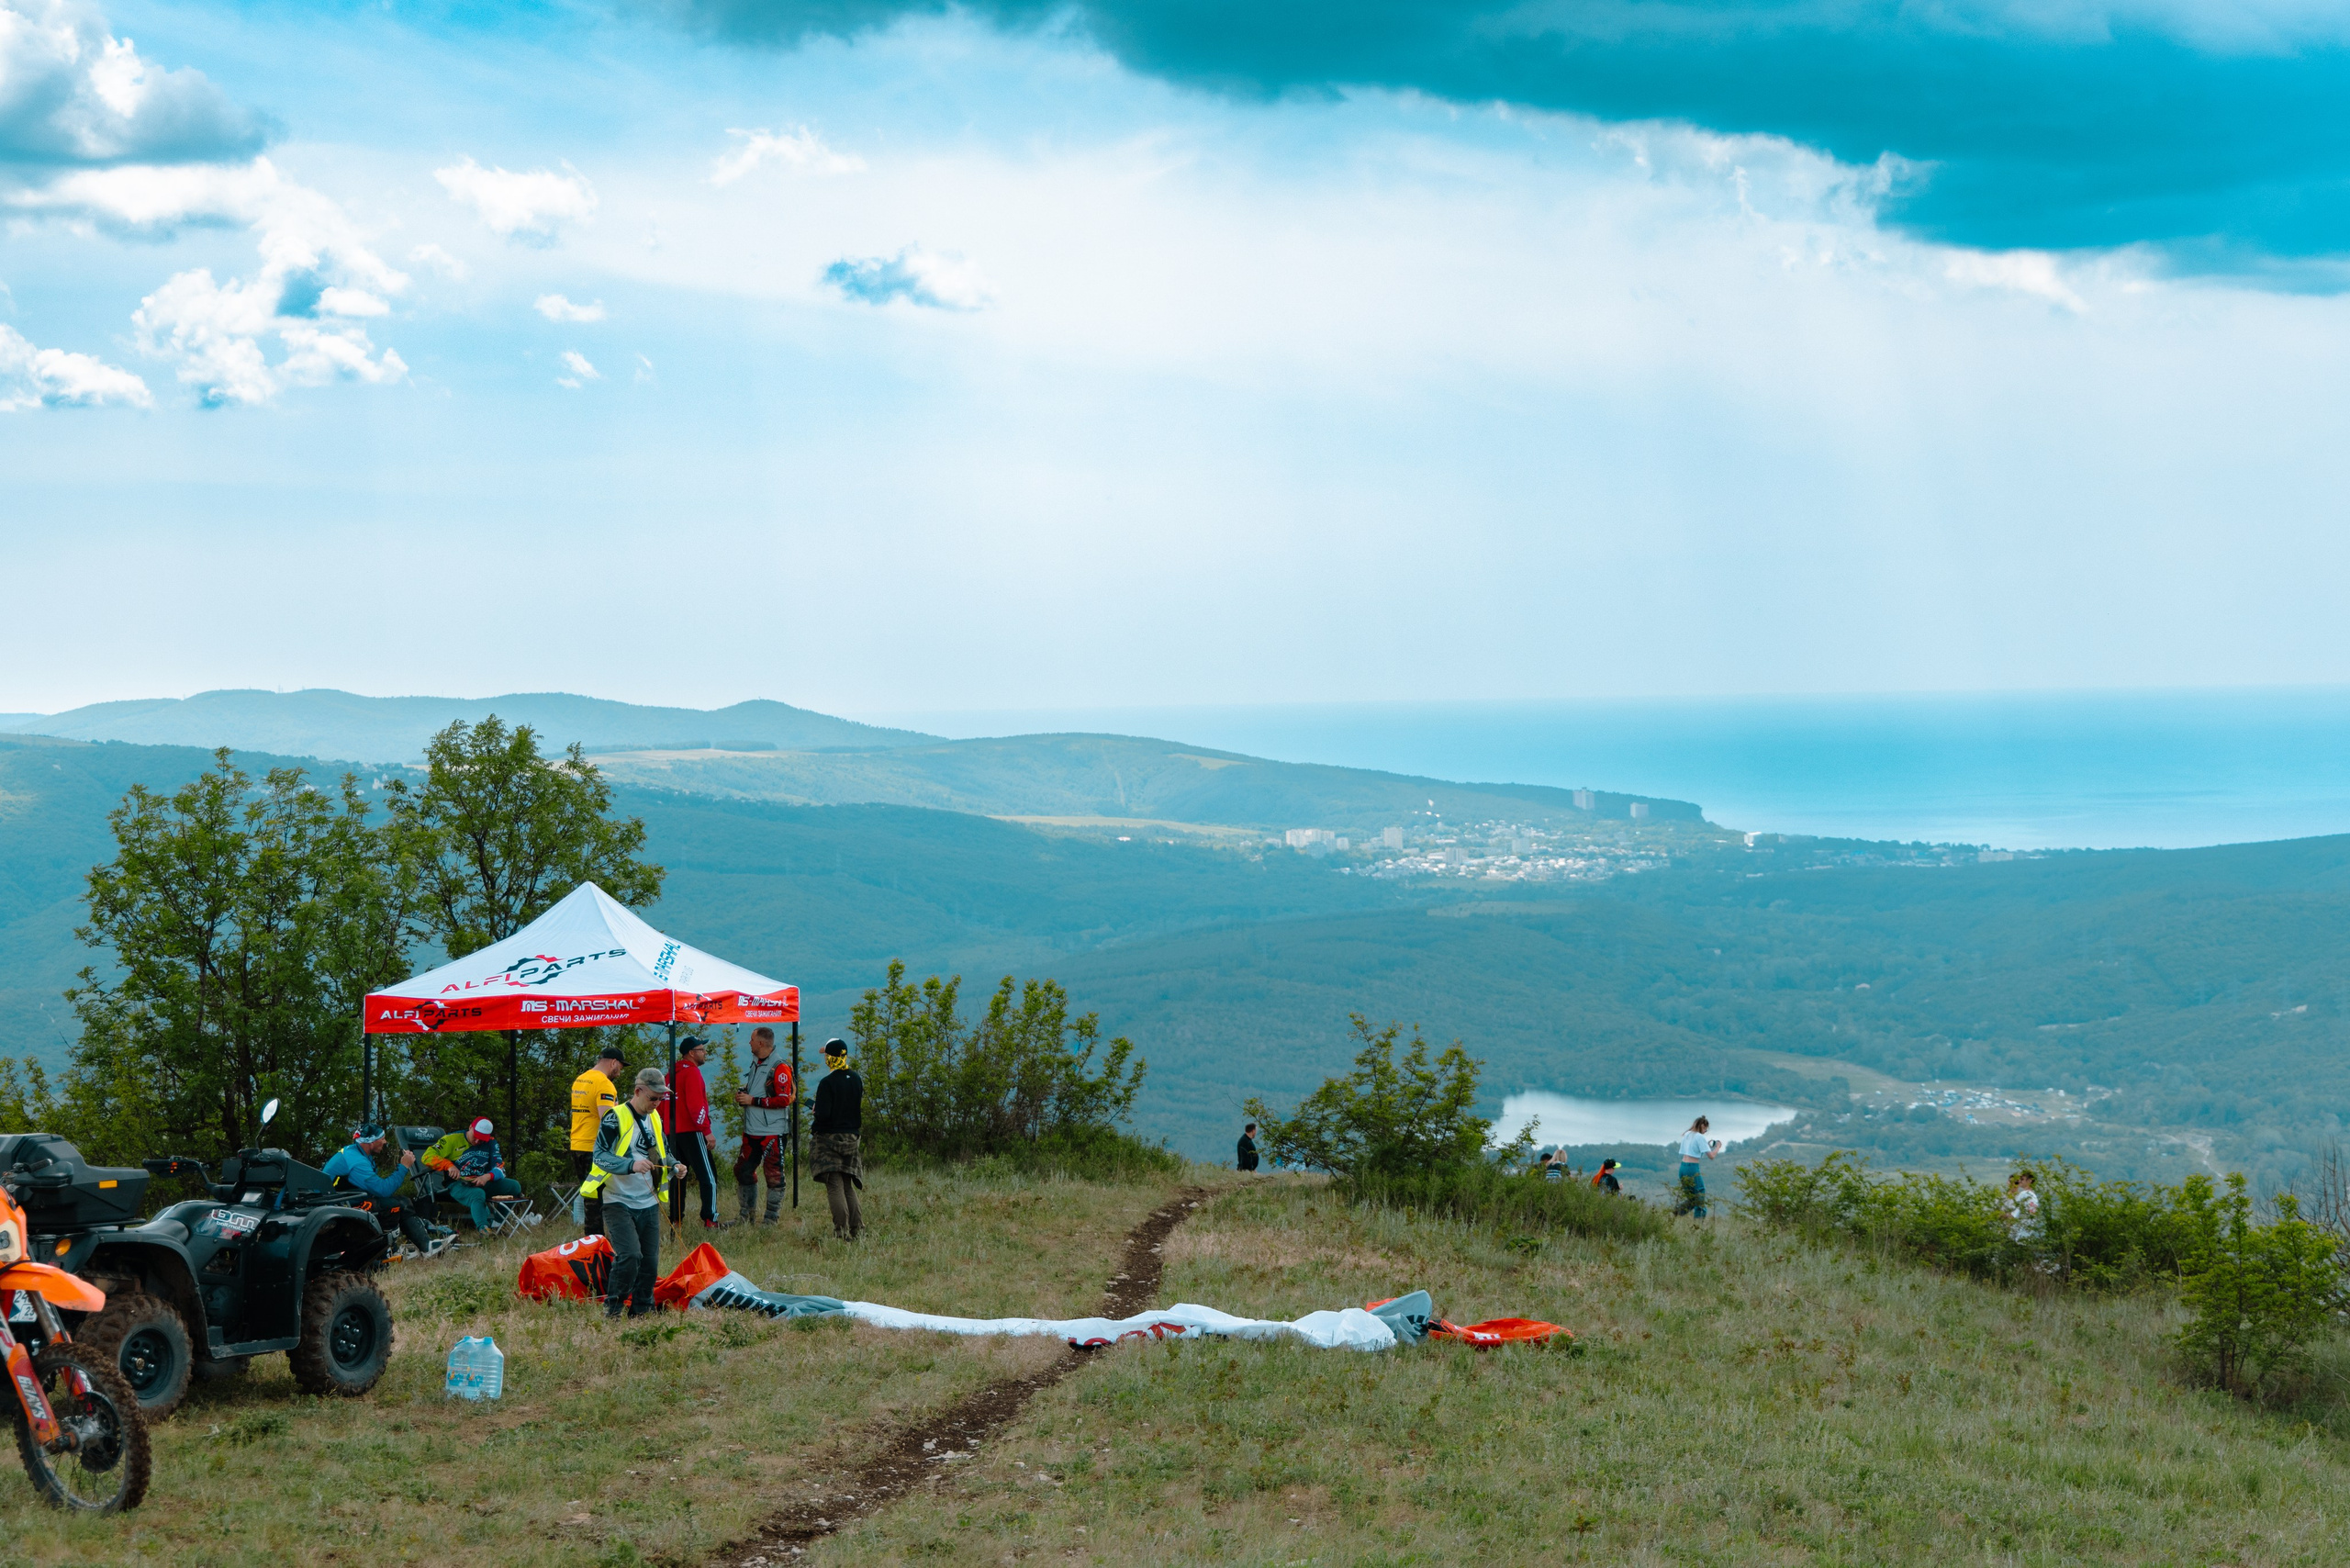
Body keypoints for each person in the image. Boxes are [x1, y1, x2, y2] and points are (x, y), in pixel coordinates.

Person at [584, 1067, 688, 1319]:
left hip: (649, 1201)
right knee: (630, 1255)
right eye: (653, 1098)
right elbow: (600, 1157)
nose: (657, 1103)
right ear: (637, 1091)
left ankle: (642, 1310)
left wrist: (675, 1165)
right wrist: (630, 1165)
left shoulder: (654, 1117)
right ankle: (613, 1308)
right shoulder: (614, 1117)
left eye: (661, 1099)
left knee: (650, 1263)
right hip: (617, 1201)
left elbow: (661, 1152)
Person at [324, 1124, 442, 1255]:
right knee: (394, 1206)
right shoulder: (357, 1162)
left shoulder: (356, 1152)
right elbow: (383, 1190)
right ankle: (386, 1250)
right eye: (382, 1138)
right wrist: (404, 1167)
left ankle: (421, 1246)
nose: (385, 1142)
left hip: (347, 1201)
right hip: (340, 1209)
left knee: (401, 1201)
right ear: (371, 1142)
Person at [732, 1025, 795, 1226]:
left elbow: (784, 1100)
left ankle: (770, 1220)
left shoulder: (780, 1067)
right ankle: (746, 1216)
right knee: (742, 1170)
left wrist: (753, 1100)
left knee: (774, 1176)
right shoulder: (755, 1063)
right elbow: (757, 1092)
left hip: (772, 1132)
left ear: (760, 1043)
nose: (749, 1043)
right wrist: (744, 1095)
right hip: (752, 1131)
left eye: (751, 1040)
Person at [422, 1118, 531, 1231]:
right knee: (477, 1194)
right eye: (476, 1135)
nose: (478, 1140)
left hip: (482, 1181)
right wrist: (449, 1166)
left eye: (482, 1138)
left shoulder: (491, 1142)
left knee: (514, 1186)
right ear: (470, 1127)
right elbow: (427, 1156)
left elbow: (500, 1168)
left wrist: (486, 1177)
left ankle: (498, 1224)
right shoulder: (451, 1139)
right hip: (458, 1183)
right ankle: (484, 1230)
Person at [670, 1036, 728, 1229]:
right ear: (691, 1053)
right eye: (701, 1050)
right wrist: (707, 1131)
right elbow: (697, 1106)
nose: (705, 1053)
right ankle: (710, 1219)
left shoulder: (670, 1075)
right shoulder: (693, 1073)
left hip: (672, 1133)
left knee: (678, 1176)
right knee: (708, 1176)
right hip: (693, 1131)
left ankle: (676, 1219)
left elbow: (663, 1105)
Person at [810, 1037, 864, 1240]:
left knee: (835, 1185)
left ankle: (841, 1231)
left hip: (829, 1139)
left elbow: (823, 1115)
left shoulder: (827, 1083)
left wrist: (816, 1111)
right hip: (851, 1137)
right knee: (848, 1184)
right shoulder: (856, 1078)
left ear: (831, 1058)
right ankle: (857, 1229)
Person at [570, 1044, 624, 1238]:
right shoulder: (604, 1084)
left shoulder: (580, 1079)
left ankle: (592, 1239)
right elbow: (607, 1119)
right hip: (595, 1148)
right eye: (620, 1067)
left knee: (589, 1195)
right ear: (613, 1063)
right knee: (599, 1198)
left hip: (577, 1144)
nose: (619, 1072)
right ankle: (597, 1241)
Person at [1673, 1116, 1721, 1217]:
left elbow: (1692, 1150)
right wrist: (1717, 1147)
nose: (1705, 1131)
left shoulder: (1687, 1134)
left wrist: (1706, 1145)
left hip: (1682, 1168)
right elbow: (1711, 1156)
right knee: (1700, 1195)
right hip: (1692, 1168)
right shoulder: (1700, 1137)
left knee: (1692, 1198)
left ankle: (1677, 1213)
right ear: (1702, 1126)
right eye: (1705, 1129)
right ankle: (1698, 1226)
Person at [2005, 1170, 2042, 1243]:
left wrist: (2001, 1216)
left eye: (2022, 1179)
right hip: (2028, 1234)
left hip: (2017, 1234)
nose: (2020, 1181)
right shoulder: (2034, 1196)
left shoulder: (2023, 1194)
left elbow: (2013, 1215)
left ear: (2029, 1181)